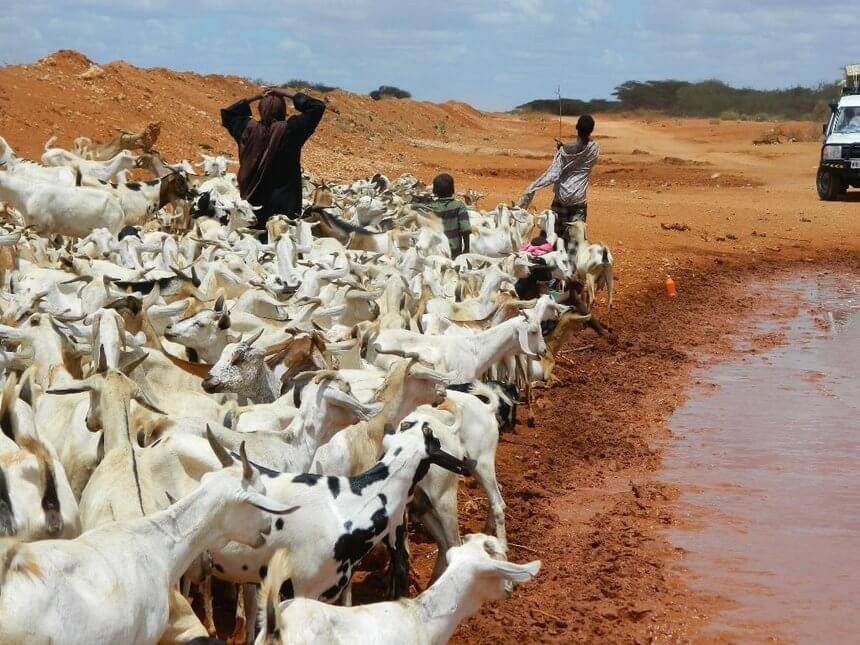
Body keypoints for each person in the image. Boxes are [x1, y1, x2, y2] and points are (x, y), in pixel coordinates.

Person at [220, 87, 326, 229]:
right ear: (283, 110)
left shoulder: (246, 129)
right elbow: (317, 107)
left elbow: (228, 114)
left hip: (253, 208)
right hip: (285, 209)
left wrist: (256, 96)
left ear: (260, 109)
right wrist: (286, 93)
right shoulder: (291, 130)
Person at [517, 114, 599, 247]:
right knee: (575, 243)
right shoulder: (594, 148)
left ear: (576, 128)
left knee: (552, 238)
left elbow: (553, 174)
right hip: (578, 201)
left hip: (561, 199)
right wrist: (563, 149)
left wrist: (561, 149)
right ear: (591, 130)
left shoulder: (564, 151)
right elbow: (585, 153)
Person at [430, 173, 471, 258]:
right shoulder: (459, 206)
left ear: (435, 191)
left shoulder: (431, 208)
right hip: (455, 250)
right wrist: (466, 248)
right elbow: (465, 229)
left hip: (436, 252)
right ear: (452, 189)